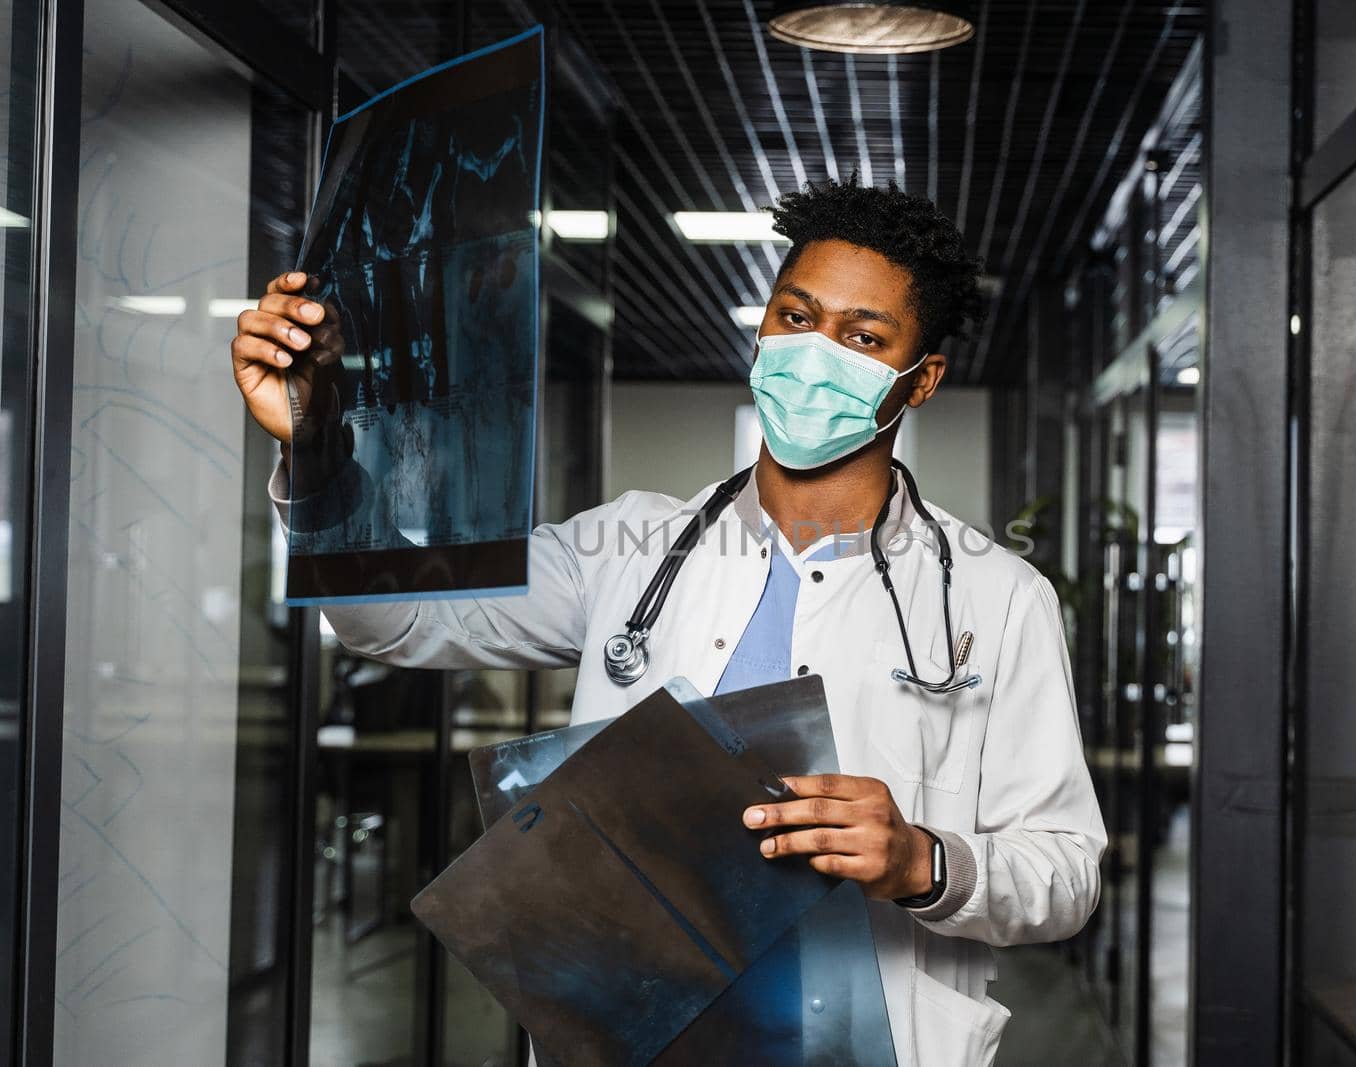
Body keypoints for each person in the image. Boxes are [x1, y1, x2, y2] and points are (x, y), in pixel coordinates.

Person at [231, 176, 1105, 1065]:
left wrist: (924, 861)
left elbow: (1069, 871)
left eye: (863, 336)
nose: (816, 353)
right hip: (625, 1028)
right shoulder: (629, 544)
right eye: (796, 317)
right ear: (762, 327)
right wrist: (318, 448)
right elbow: (393, 621)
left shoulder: (998, 597)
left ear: (920, 382)